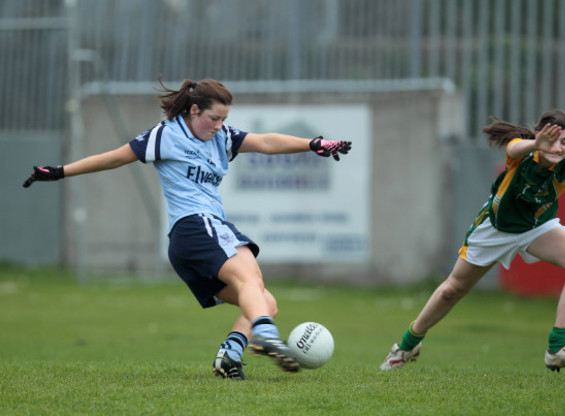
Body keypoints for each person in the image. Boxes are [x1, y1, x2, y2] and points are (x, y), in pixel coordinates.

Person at [23, 77, 352, 380]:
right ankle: (265, 336)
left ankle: (229, 357)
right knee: (250, 278)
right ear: (194, 110)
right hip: (196, 226)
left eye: (224, 119)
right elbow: (113, 158)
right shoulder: (166, 135)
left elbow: (266, 141)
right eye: (214, 118)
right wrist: (59, 172)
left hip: (187, 244)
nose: (220, 126)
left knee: (265, 302)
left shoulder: (221, 137)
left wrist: (313, 144)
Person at [379, 109, 565, 373]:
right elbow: (514, 149)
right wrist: (538, 144)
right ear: (539, 136)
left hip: (536, 227)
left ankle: (558, 348)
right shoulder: (524, 151)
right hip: (496, 228)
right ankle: (406, 346)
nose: (559, 147)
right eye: (553, 139)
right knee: (451, 290)